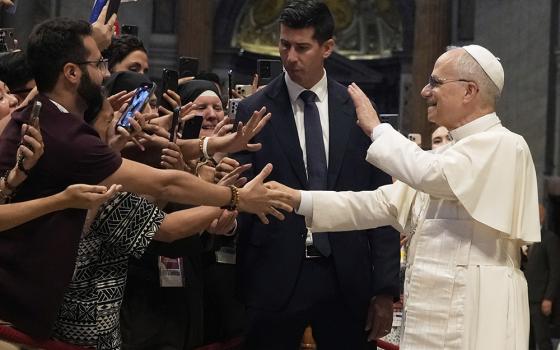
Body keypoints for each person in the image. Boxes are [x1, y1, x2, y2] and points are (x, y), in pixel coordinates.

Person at [0, 17, 289, 340]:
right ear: (70, 72)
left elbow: (163, 161)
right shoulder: (71, 140)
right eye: (98, 64)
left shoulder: (42, 112)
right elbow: (165, 190)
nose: (105, 74)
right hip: (52, 316)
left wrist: (212, 146)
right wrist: (237, 197)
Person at [269, 44, 541, 349]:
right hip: (433, 311)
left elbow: (431, 174)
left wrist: (377, 129)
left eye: (436, 82)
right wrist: (298, 199)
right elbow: (376, 203)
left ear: (469, 91)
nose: (425, 91)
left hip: (478, 310)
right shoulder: (447, 155)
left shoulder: (504, 145)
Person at [232, 1, 400, 349]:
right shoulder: (253, 109)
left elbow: (383, 203)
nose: (290, 56)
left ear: (327, 47)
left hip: (347, 276)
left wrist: (384, 289)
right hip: (273, 276)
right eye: (284, 45)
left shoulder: (358, 111)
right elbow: (242, 194)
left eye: (302, 47)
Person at [524, 205, 560, 350]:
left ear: (541, 217)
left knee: (543, 339)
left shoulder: (550, 239)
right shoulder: (526, 239)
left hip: (540, 300)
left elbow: (555, 271)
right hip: (526, 298)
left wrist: (548, 298)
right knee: (528, 339)